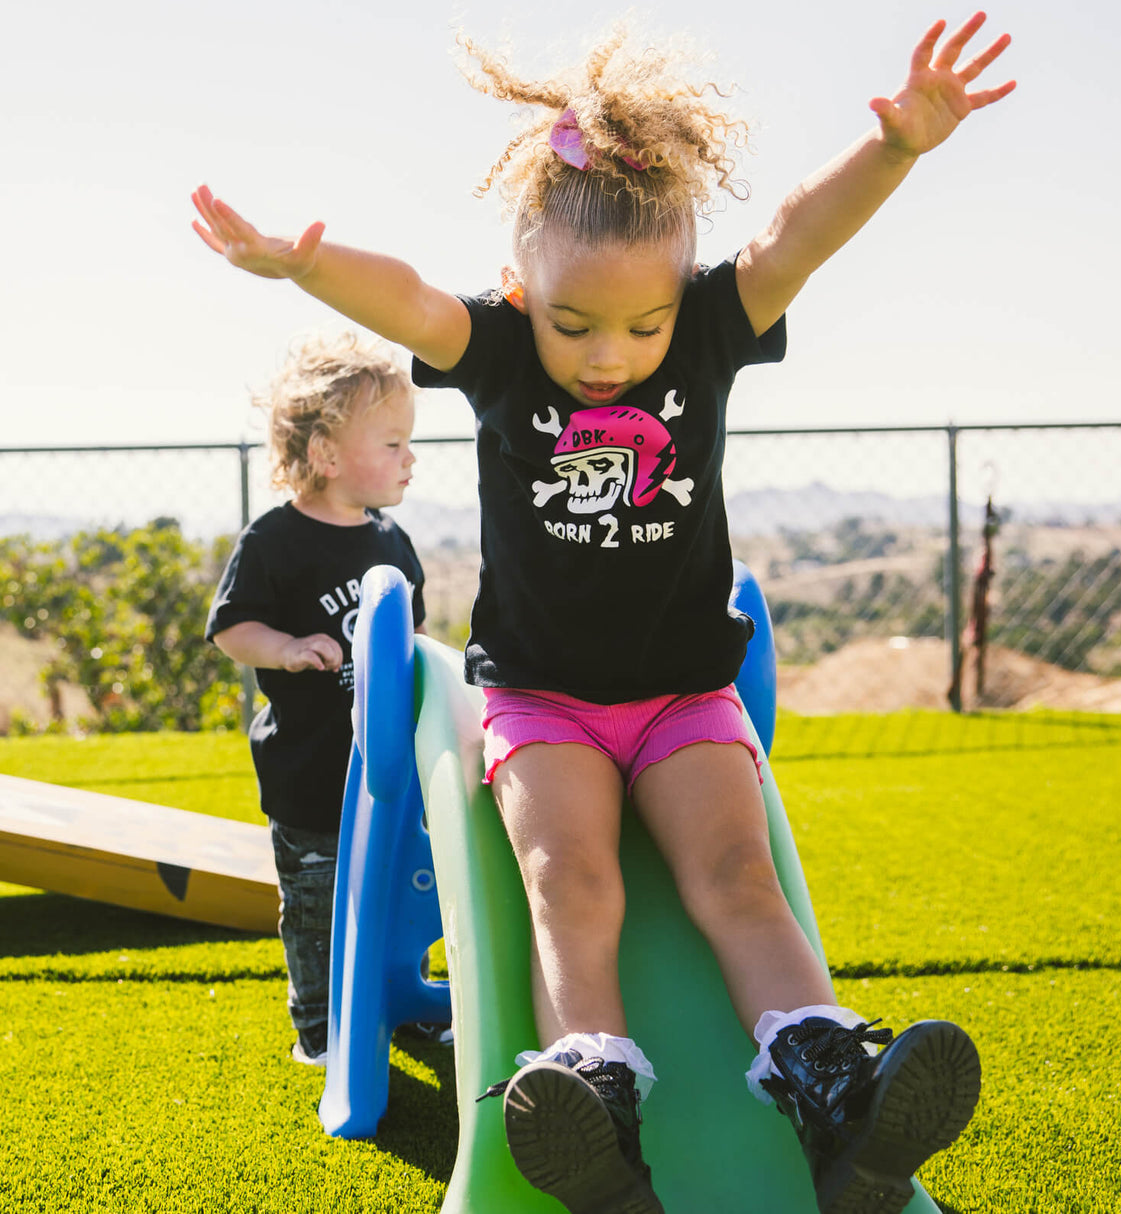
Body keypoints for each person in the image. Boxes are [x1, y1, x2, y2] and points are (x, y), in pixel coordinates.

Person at [192, 12, 1014, 1211]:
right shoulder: (497, 351)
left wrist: (893, 149)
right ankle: (596, 1108)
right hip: (543, 701)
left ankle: (835, 1095)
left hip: (684, 691)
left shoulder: (714, 329)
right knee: (567, 882)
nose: (606, 355)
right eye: (571, 323)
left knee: (737, 871)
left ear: (683, 294)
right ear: (523, 292)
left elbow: (792, 236)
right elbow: (413, 297)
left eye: (644, 325)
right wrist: (303, 264)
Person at [205, 333, 449, 1067]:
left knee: (400, 896)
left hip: (388, 774)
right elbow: (231, 629)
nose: (411, 458)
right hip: (309, 778)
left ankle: (403, 1001)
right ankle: (319, 1025)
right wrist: (284, 649)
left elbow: (413, 636)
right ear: (327, 456)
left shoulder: (391, 540)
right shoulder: (275, 540)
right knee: (318, 911)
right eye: (394, 442)